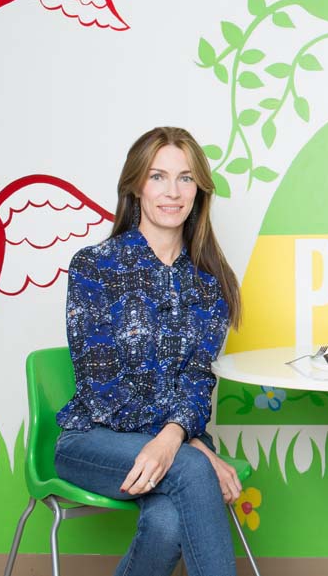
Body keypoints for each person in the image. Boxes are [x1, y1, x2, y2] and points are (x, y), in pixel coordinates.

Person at [54, 126, 244, 576]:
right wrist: (187, 442)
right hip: (92, 440)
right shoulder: (95, 266)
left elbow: (199, 380)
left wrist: (176, 438)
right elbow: (102, 387)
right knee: (193, 472)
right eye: (158, 177)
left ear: (199, 191)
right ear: (136, 185)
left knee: (166, 522)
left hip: (176, 443)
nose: (172, 192)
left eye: (185, 178)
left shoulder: (209, 281)